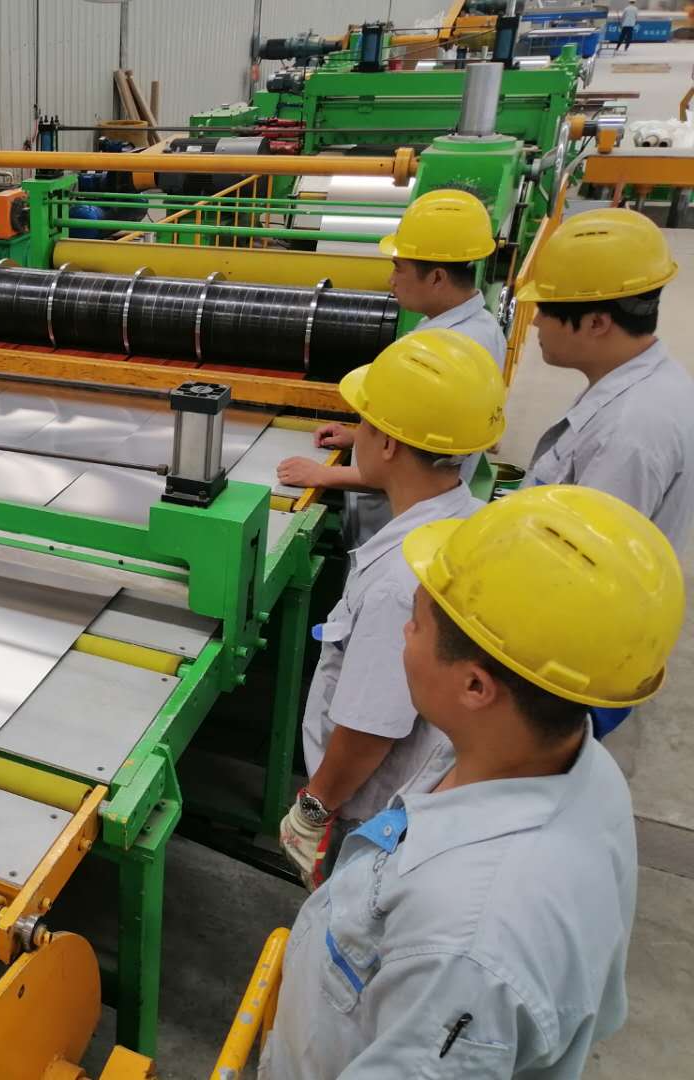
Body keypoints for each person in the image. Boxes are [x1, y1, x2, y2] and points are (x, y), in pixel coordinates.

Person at [264, 485, 684, 1078]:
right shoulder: (579, 767)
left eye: (415, 624)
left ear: (475, 686)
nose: (404, 635)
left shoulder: (466, 950)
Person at [278, 329, 506, 889]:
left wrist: (315, 807)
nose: (357, 431)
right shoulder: (472, 520)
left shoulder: (399, 583)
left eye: (365, 421)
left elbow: (368, 729)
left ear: (388, 447)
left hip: (371, 813)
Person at [519, 207, 694, 735]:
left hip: (567, 670)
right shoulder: (646, 385)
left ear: (597, 322)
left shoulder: (631, 431)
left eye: (547, 310)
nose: (534, 323)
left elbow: (582, 577)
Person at [277, 190, 506, 546]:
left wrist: (322, 475)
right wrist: (360, 437)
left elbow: (412, 468)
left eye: (399, 268)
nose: (391, 280)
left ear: (437, 278)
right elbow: (419, 439)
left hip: (394, 526)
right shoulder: (481, 326)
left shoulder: (447, 353)